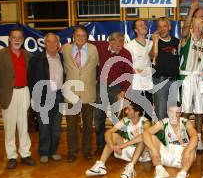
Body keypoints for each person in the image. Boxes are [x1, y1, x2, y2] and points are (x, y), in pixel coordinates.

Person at [0, 27, 36, 169]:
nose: (17, 40)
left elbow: (31, 77)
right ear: (9, 38)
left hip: (24, 92)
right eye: (14, 37)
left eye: (20, 37)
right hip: (7, 94)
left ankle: (25, 154)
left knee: (24, 125)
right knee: (9, 127)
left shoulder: (27, 55)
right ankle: (11, 156)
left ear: (23, 39)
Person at [62, 25, 99, 162]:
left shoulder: (93, 49)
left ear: (87, 37)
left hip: (88, 93)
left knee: (88, 125)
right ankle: (72, 152)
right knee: (71, 126)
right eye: (78, 35)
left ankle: (87, 150)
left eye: (83, 35)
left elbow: (98, 65)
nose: (80, 38)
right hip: (71, 93)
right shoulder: (65, 49)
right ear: (73, 36)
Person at [86, 102, 151, 178]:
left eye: (129, 110)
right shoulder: (125, 120)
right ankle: (101, 165)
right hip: (129, 150)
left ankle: (130, 168)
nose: (126, 111)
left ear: (137, 112)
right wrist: (112, 146)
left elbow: (143, 137)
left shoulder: (146, 122)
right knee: (113, 136)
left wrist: (121, 146)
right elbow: (108, 132)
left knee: (143, 139)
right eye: (126, 109)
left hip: (142, 154)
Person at [95, 32, 134, 155]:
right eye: (118, 42)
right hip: (101, 87)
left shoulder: (126, 53)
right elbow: (85, 42)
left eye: (122, 42)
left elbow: (129, 74)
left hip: (117, 88)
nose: (121, 45)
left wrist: (124, 90)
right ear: (110, 42)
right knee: (98, 118)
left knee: (116, 120)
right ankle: (101, 146)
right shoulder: (101, 47)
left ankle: (116, 147)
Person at [28, 33, 64, 163]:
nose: (52, 44)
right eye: (49, 42)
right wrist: (33, 98)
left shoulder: (62, 57)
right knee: (44, 126)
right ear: (45, 43)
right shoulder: (36, 59)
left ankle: (53, 151)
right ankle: (43, 152)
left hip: (58, 95)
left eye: (55, 42)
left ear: (58, 44)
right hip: (42, 95)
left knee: (56, 127)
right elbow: (31, 79)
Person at [142, 102, 198, 178]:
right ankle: (159, 169)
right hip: (166, 155)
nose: (174, 115)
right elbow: (146, 133)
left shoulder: (185, 122)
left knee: (192, 147)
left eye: (177, 112)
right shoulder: (163, 123)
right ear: (168, 112)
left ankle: (182, 175)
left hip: (182, 158)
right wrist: (153, 150)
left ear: (180, 113)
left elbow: (195, 137)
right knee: (152, 137)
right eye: (172, 112)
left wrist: (187, 151)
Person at [179, 0, 203, 151]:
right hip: (187, 77)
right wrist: (191, 11)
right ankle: (181, 136)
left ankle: (199, 137)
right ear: (195, 25)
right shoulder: (187, 38)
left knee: (200, 110)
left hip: (200, 78)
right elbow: (184, 29)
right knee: (186, 109)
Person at [150, 17, 181, 120]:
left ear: (170, 27)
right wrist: (155, 42)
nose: (162, 29)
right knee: (161, 113)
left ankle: (170, 135)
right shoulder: (154, 42)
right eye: (159, 27)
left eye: (164, 26)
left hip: (174, 81)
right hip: (160, 81)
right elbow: (152, 57)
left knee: (172, 113)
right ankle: (160, 136)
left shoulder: (176, 42)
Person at [125, 20, 154, 120]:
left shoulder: (151, 44)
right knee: (135, 116)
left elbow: (155, 59)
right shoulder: (129, 46)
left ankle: (146, 135)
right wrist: (139, 72)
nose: (144, 26)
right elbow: (126, 66)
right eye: (141, 25)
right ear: (136, 30)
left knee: (148, 115)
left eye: (145, 25)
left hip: (148, 85)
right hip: (135, 86)